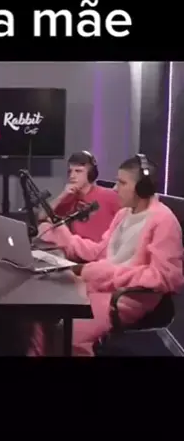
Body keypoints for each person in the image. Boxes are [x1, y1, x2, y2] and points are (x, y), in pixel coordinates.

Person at [31, 154, 184, 357]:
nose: (115, 188)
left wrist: (106, 273)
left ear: (142, 188)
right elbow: (99, 251)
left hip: (126, 298)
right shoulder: (124, 214)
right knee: (41, 311)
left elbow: (166, 278)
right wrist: (60, 235)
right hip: (98, 285)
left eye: (122, 183)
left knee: (70, 332)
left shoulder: (164, 221)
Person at [45, 151, 120, 242]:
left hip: (101, 249)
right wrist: (62, 196)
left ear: (91, 173)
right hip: (76, 248)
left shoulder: (110, 196)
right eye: (70, 171)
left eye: (78, 171)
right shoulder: (69, 198)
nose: (72, 176)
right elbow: (42, 217)